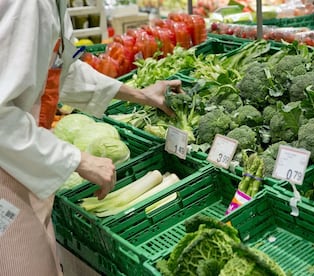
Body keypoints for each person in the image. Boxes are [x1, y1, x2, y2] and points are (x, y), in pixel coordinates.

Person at [0, 1, 182, 275]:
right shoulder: (26, 4)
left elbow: (61, 70)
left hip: (25, 156)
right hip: (9, 166)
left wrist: (141, 94)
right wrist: (77, 158)